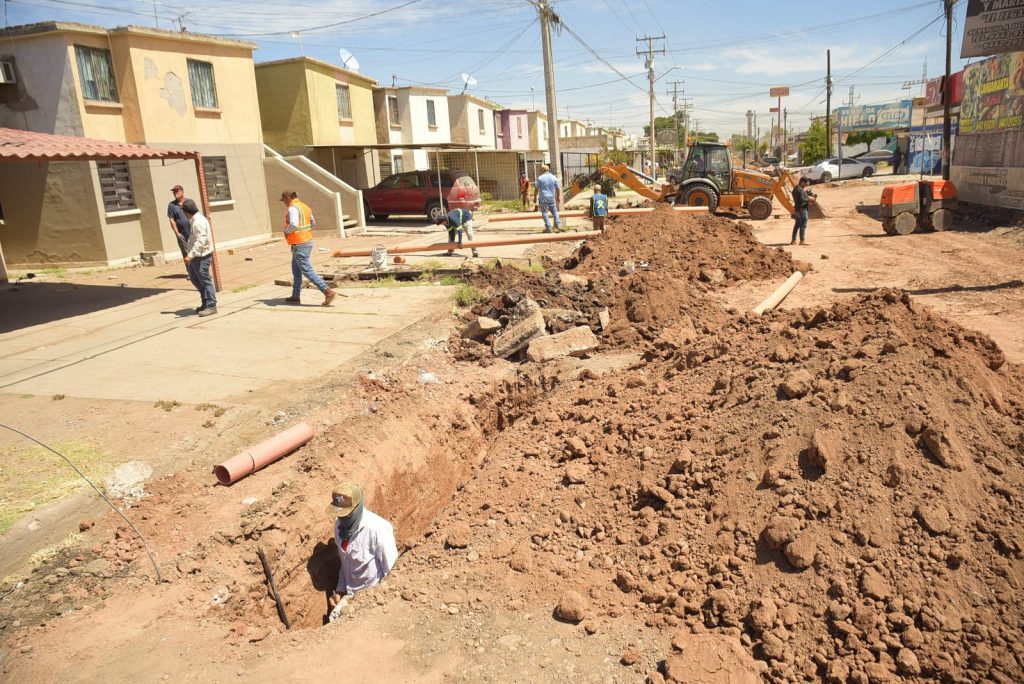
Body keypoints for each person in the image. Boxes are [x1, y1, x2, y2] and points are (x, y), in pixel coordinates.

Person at [327, 482, 398, 610]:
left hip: (372, 604)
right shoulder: (339, 527)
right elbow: (345, 563)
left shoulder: (378, 530)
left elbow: (392, 575)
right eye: (339, 514)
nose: (342, 518)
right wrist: (340, 592)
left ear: (357, 507)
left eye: (346, 514)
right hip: (349, 600)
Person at [280, 190, 336, 306]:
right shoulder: (304, 207)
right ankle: (296, 296)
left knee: (306, 269)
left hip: (299, 243)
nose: (284, 203)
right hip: (305, 241)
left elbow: (294, 224)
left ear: (287, 198)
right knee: (296, 270)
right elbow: (312, 222)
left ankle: (327, 291)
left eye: (284, 200)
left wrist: (286, 231)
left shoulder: (292, 208)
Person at [181, 199, 217, 316]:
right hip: (196, 256)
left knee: (205, 280)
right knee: (195, 278)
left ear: (187, 212)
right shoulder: (195, 220)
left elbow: (201, 241)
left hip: (201, 256)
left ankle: (211, 305)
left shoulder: (198, 222)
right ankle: (205, 302)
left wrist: (190, 256)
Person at [166, 184, 191, 263]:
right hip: (182, 234)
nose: (175, 193)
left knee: (195, 251)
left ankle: (197, 271)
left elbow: (195, 214)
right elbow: (171, 220)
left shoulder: (189, 202)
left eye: (177, 191)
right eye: (174, 191)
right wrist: (177, 233)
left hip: (192, 232)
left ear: (182, 192)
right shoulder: (171, 205)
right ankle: (190, 273)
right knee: (186, 253)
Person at [535, 164, 562, 233]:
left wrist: (535, 197)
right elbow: (558, 188)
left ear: (543, 170)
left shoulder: (540, 178)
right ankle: (558, 226)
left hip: (543, 197)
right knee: (555, 211)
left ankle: (548, 228)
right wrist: (558, 196)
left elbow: (536, 188)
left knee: (544, 212)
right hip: (551, 197)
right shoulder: (554, 177)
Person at [790, 176, 816, 246]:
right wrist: (809, 198)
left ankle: (793, 240)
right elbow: (802, 199)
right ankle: (802, 241)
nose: (807, 184)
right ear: (802, 182)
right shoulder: (800, 190)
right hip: (802, 210)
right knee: (803, 225)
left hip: (797, 209)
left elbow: (799, 199)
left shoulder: (795, 189)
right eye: (806, 183)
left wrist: (807, 199)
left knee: (797, 225)